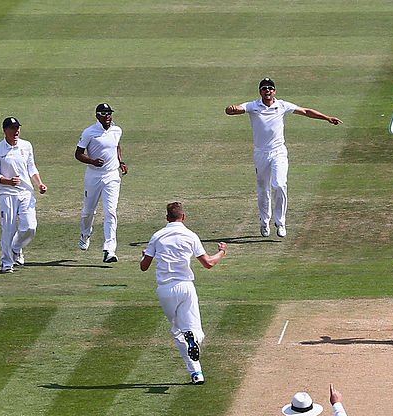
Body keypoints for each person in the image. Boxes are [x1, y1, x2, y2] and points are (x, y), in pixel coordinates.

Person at [224, 77, 342, 238]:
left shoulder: (282, 105)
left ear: (274, 91)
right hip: (260, 153)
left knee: (279, 184)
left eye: (270, 88)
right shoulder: (253, 105)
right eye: (264, 88)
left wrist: (327, 118)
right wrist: (231, 109)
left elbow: (306, 111)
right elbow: (236, 109)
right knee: (263, 189)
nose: (267, 91)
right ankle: (264, 222)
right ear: (260, 91)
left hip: (278, 152)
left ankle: (280, 222)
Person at [139, 202, 227, 384]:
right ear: (183, 217)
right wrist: (222, 252)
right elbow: (208, 263)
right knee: (193, 331)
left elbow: (144, 266)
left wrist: (145, 255)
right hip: (186, 287)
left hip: (165, 290)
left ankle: (196, 373)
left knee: (178, 332)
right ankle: (194, 344)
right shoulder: (190, 235)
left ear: (167, 218)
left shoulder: (157, 236)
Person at [0, 116, 47, 273]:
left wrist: (39, 183)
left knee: (30, 227)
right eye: (12, 128)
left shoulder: (26, 146)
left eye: (17, 128)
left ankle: (16, 247)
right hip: (6, 193)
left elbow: (31, 167)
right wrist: (7, 181)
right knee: (8, 228)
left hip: (25, 192)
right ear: (5, 130)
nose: (16, 131)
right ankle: (7, 263)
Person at [75, 102, 128, 263]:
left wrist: (121, 162)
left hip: (112, 176)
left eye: (109, 114)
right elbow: (78, 154)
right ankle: (85, 233)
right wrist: (91, 161)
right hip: (94, 176)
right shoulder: (89, 132)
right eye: (104, 114)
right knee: (88, 212)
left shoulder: (116, 130)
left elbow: (117, 146)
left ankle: (109, 250)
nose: (108, 117)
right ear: (97, 115)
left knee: (111, 211)